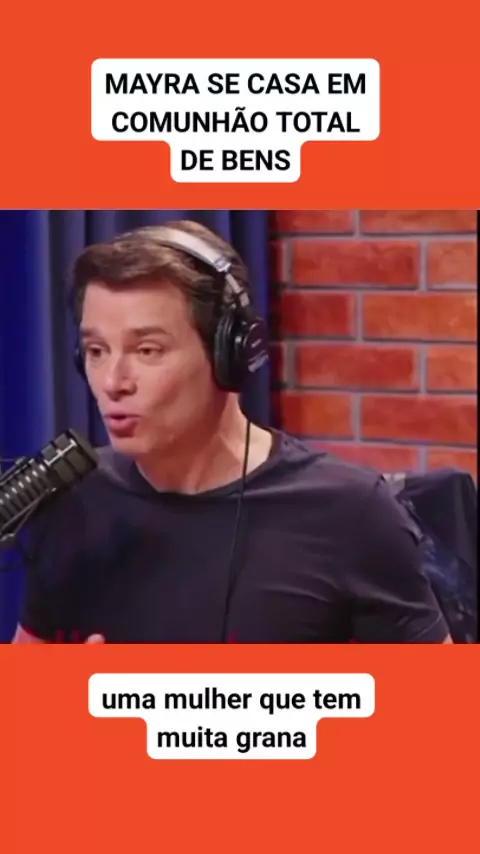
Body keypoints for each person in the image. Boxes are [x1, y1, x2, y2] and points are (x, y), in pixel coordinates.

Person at [12, 220, 451, 644]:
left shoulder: (350, 512)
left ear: (229, 353)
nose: (112, 381)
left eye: (147, 350)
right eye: (96, 351)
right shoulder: (77, 501)